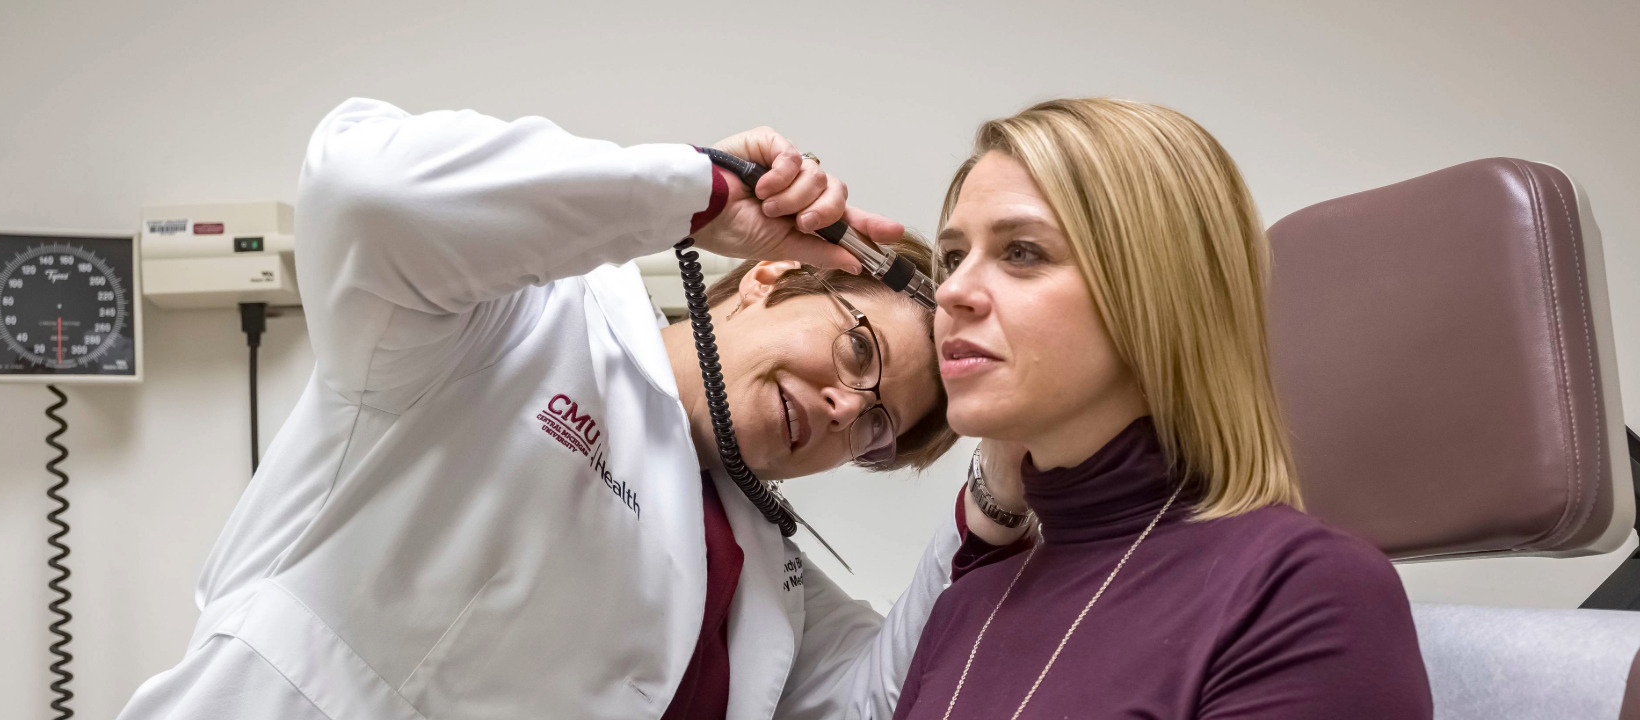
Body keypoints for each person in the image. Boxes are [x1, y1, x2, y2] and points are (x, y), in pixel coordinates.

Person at [116, 98, 1012, 720]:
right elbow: (364, 190)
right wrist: (698, 196)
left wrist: (1003, 474)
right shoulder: (515, 325)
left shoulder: (762, 577)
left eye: (875, 427)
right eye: (859, 349)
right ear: (772, 277)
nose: (841, 407)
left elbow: (889, 696)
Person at [894, 98, 1434, 719]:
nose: (953, 291)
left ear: (1155, 294)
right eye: (955, 257)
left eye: (1022, 252)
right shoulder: (963, 609)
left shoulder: (1302, 590)